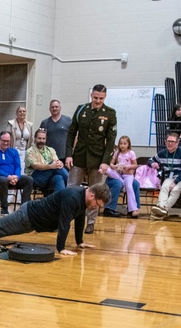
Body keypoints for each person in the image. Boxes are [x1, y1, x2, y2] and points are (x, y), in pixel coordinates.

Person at [0, 183, 108, 256]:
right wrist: (61, 249)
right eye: (97, 204)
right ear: (92, 195)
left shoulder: (83, 199)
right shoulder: (73, 197)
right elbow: (64, 222)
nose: (96, 207)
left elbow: (79, 218)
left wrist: (80, 241)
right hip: (29, 216)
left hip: (32, 219)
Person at [66, 84, 117, 233]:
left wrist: (106, 162)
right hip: (80, 155)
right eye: (95, 98)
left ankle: (91, 222)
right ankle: (66, 218)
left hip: (98, 158)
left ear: (105, 97)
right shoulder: (81, 109)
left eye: (101, 98)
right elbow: (71, 133)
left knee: (97, 190)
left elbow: (111, 140)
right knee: (71, 188)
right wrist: (69, 154)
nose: (98, 101)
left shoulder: (110, 113)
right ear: (91, 96)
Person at [148, 132, 181, 219]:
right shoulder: (162, 153)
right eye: (168, 141)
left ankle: (163, 209)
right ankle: (161, 208)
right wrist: (153, 163)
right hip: (171, 177)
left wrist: (175, 183)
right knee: (164, 186)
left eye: (172, 141)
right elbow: (150, 160)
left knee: (175, 189)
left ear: (177, 143)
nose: (170, 143)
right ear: (165, 142)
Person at [0, 131, 31, 214]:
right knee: (3, 180)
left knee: (29, 180)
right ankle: (4, 208)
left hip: (14, 178)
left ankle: (24, 207)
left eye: (8, 141)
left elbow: (18, 166)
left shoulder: (14, 152)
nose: (6, 143)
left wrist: (16, 177)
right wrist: (8, 176)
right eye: (4, 141)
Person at [25, 129, 69, 195]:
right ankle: (72, 184)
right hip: (36, 178)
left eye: (43, 139)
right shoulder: (30, 151)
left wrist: (60, 164)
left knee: (58, 178)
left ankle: (58, 202)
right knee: (55, 167)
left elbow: (57, 162)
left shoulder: (51, 150)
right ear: (35, 138)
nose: (41, 141)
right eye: (39, 138)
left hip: (50, 177)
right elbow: (35, 166)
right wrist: (50, 166)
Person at [106, 135, 140, 217]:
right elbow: (111, 163)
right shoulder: (117, 153)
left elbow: (135, 164)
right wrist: (114, 166)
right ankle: (109, 208)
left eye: (125, 143)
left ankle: (133, 209)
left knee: (132, 185)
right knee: (118, 183)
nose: (122, 145)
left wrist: (129, 167)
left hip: (127, 174)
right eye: (121, 143)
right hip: (118, 174)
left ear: (128, 144)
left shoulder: (131, 153)